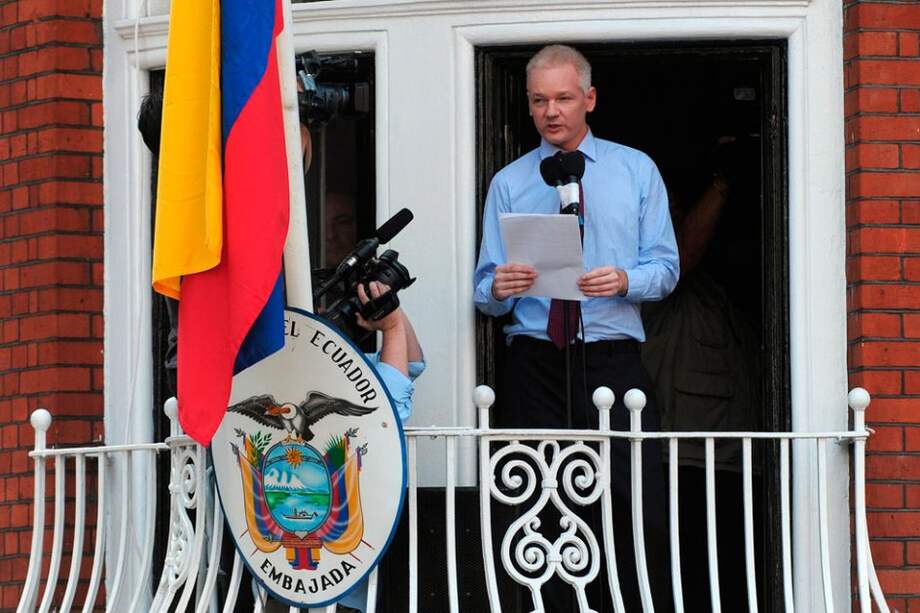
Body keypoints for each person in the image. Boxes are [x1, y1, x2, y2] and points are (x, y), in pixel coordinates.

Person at [473, 44, 679, 612]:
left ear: (589, 99)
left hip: (613, 358)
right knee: (539, 509)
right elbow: (482, 291)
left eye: (563, 98)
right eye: (539, 100)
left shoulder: (635, 169)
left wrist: (624, 281)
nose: (551, 111)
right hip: (536, 361)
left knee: (635, 503)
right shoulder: (511, 182)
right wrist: (500, 287)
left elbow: (666, 269)